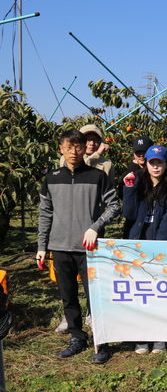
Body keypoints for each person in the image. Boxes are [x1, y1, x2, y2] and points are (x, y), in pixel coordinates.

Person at [36, 129, 120, 364]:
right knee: (68, 295)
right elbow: (45, 213)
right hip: (60, 246)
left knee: (96, 296)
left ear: (85, 149)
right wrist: (42, 246)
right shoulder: (52, 178)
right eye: (68, 147)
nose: (74, 151)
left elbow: (114, 206)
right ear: (61, 149)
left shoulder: (97, 176)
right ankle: (77, 337)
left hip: (89, 249)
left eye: (78, 147)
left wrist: (95, 227)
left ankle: (100, 341)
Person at [54, 123, 115, 334]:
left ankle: (93, 316)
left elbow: (109, 195)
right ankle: (70, 319)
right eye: (87, 139)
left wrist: (97, 225)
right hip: (67, 229)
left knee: (92, 280)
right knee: (67, 283)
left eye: (95, 140)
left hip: (93, 225)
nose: (91, 143)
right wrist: (95, 155)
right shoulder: (69, 157)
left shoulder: (106, 164)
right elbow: (77, 168)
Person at [122, 144, 167, 354]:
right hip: (137, 243)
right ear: (145, 164)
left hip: (159, 246)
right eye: (152, 163)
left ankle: (159, 337)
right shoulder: (136, 183)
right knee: (140, 293)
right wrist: (128, 189)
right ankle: (141, 337)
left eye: (160, 162)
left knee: (160, 293)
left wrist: (159, 247)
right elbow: (128, 214)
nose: (156, 167)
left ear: (166, 164)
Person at [121, 135, 153, 239]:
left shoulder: (158, 173)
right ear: (134, 154)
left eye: (144, 152)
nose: (141, 155)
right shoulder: (128, 175)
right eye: (138, 153)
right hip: (133, 224)